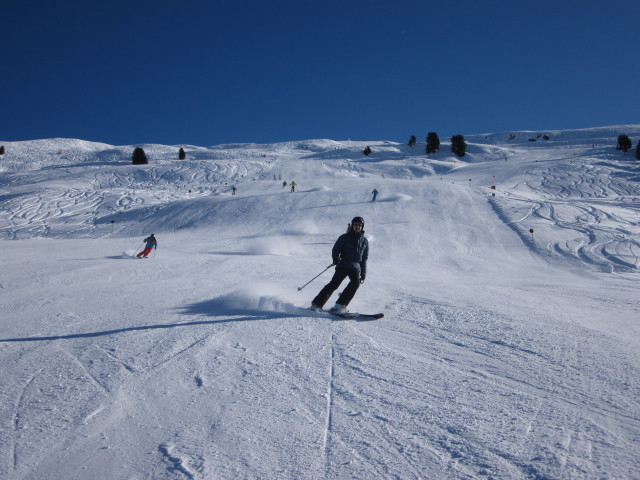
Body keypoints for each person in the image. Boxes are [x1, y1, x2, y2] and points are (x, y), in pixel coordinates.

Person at [311, 217, 368, 313]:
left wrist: (363, 273)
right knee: (334, 284)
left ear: (362, 227)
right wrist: (336, 258)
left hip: (356, 267)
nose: (357, 227)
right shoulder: (345, 237)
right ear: (352, 226)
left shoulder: (364, 241)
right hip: (344, 264)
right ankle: (316, 304)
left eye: (359, 225)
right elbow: (336, 249)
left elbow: (364, 258)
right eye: (355, 225)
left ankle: (340, 305)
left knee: (355, 284)